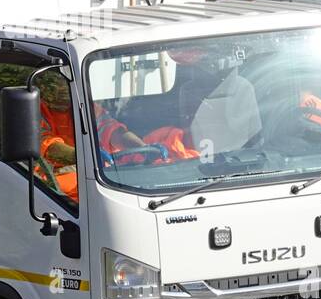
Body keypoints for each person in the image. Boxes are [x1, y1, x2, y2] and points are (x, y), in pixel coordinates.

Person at [34, 72, 198, 203]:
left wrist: (141, 148)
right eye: (56, 90)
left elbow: (111, 130)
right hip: (52, 174)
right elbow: (48, 146)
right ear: (44, 90)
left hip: (94, 168)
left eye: (65, 90)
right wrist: (85, 157)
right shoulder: (35, 111)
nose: (62, 95)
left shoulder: (84, 106)